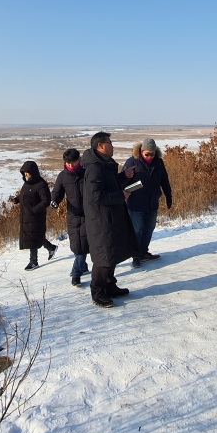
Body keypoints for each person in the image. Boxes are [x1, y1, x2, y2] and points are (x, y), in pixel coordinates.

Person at [81, 132, 138, 308]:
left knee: (111, 254)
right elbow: (95, 195)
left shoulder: (104, 165)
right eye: (110, 143)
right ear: (100, 146)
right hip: (101, 221)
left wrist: (123, 177)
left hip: (111, 218)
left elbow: (109, 185)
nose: (112, 145)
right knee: (103, 257)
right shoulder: (94, 168)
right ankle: (97, 292)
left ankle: (110, 286)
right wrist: (120, 196)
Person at [123, 138, 173, 267]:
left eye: (152, 154)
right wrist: (123, 194)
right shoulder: (132, 162)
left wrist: (168, 194)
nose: (150, 157)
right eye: (147, 154)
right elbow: (123, 181)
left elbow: (164, 179)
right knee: (137, 230)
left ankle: (143, 253)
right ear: (141, 151)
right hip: (136, 203)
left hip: (152, 202)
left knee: (149, 229)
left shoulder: (159, 163)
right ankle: (135, 256)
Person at [51, 148, 89, 286]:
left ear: (79, 160)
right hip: (72, 216)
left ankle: (76, 273)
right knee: (76, 245)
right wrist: (54, 201)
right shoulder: (62, 176)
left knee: (82, 245)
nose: (71, 165)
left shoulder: (86, 174)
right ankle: (83, 265)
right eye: (68, 162)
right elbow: (57, 192)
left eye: (74, 162)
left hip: (87, 215)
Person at [9, 161, 57, 271]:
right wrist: (16, 200)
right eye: (24, 174)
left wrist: (35, 210)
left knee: (32, 237)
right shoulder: (27, 184)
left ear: (33, 173)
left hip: (36, 217)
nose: (26, 176)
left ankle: (33, 262)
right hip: (26, 216)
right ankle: (51, 247)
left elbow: (46, 200)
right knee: (34, 236)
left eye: (28, 174)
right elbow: (24, 196)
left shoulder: (41, 184)